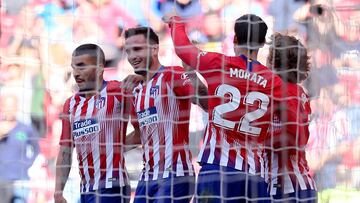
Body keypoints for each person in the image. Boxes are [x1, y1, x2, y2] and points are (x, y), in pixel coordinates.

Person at [164, 14, 285, 202]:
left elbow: (181, 47)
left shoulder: (218, 64)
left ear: (235, 39)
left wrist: (176, 22)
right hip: (253, 176)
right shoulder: (274, 82)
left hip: (216, 170)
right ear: (262, 43)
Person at [123, 26, 207, 203]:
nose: (132, 57)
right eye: (128, 51)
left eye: (137, 49)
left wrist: (191, 73)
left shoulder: (173, 75)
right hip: (147, 178)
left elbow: (206, 103)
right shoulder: (135, 90)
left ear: (154, 49)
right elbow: (139, 135)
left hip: (176, 175)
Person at [54, 44, 131, 203]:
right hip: (86, 189)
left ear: (99, 68)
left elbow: (141, 131)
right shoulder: (70, 105)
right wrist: (58, 192)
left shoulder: (117, 90)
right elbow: (65, 151)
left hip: (113, 187)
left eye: (82, 66)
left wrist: (116, 148)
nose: (76, 73)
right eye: (74, 67)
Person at [266, 33, 317, 202]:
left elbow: (294, 139)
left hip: (285, 188)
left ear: (275, 62)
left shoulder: (279, 93)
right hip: (303, 183)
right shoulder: (300, 93)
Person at [0, 93, 40, 203]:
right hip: (1, 180)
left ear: (17, 108)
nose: (9, 109)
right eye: (6, 106)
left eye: (12, 106)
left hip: (20, 179)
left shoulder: (25, 128)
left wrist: (27, 163)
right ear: (2, 107)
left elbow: (37, 148)